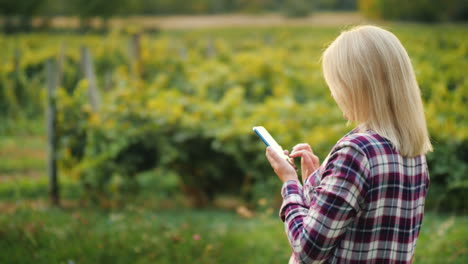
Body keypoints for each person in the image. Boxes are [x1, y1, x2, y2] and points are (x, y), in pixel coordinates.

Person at [265, 25, 432, 264]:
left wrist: (289, 182)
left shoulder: (357, 151)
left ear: (356, 85)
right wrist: (316, 180)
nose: (335, 94)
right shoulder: (414, 152)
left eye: (336, 83)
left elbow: (307, 250)